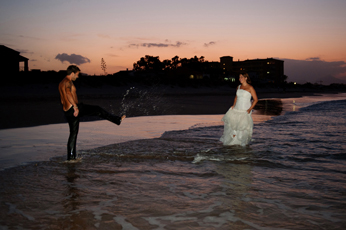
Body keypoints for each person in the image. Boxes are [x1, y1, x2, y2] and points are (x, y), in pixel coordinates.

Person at [59, 65, 126, 160]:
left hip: (67, 111)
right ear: (72, 73)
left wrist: (69, 108)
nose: (77, 77)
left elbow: (62, 100)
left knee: (73, 134)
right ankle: (117, 119)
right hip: (74, 108)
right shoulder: (68, 82)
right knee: (97, 109)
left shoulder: (61, 83)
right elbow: (68, 93)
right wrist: (75, 107)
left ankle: (71, 158)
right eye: (77, 75)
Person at [220, 72, 258, 146]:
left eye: (241, 77)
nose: (240, 79)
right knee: (233, 125)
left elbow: (255, 99)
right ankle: (233, 143)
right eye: (239, 77)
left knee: (242, 127)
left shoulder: (250, 87)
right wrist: (233, 105)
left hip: (244, 110)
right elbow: (236, 97)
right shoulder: (239, 87)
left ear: (246, 78)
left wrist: (250, 109)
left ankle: (241, 143)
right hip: (237, 108)